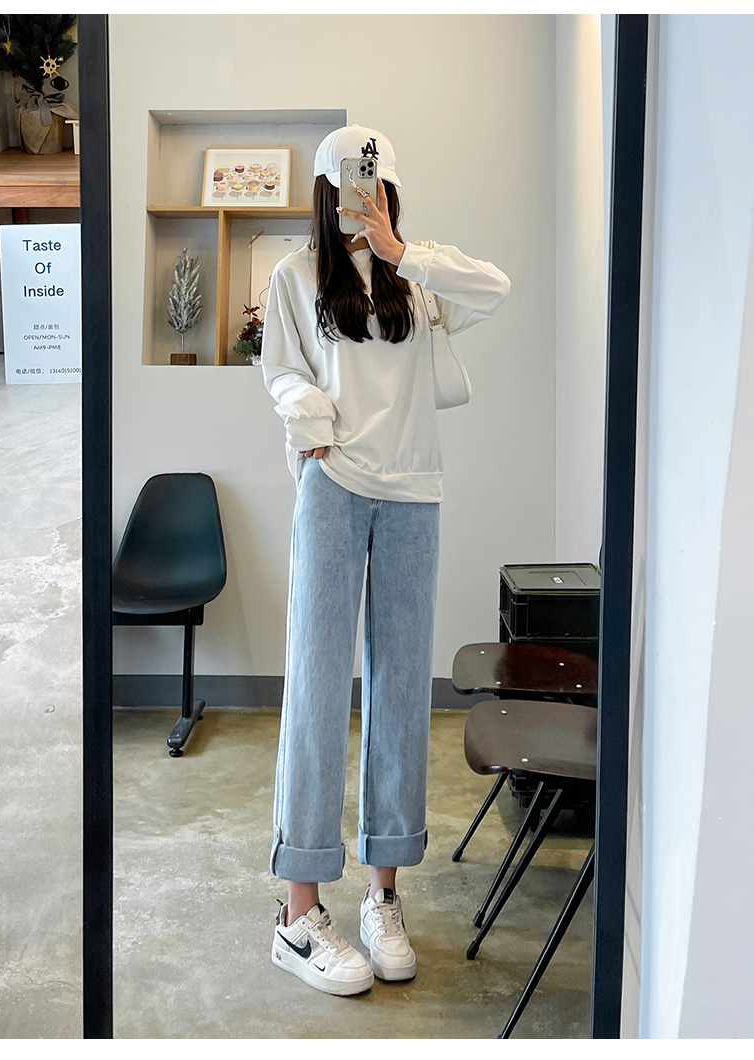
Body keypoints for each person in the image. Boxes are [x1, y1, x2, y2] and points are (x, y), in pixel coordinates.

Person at [261, 125, 510, 997]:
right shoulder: (295, 276)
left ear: (390, 190)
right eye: (348, 189)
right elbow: (280, 370)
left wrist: (404, 253)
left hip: (413, 496)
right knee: (316, 688)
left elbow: (496, 289)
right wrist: (313, 422)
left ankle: (383, 895)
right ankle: (298, 913)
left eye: (376, 187)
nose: (361, 201)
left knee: (401, 692)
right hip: (333, 490)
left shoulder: (418, 277)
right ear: (327, 193)